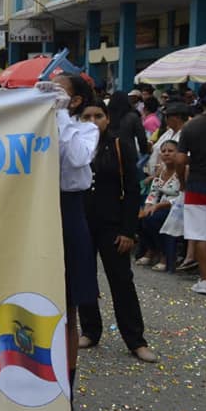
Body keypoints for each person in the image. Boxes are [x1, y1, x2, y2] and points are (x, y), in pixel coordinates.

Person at [76, 103, 157, 362]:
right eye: (86, 116)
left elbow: (132, 189)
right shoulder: (74, 145)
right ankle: (90, 330)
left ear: (108, 118)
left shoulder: (120, 145)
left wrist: (128, 231)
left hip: (113, 226)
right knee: (84, 279)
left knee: (122, 281)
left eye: (98, 116)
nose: (93, 121)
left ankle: (136, 340)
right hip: (81, 224)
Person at [39, 74, 100, 411]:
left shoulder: (85, 129)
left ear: (75, 101)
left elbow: (77, 158)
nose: (51, 93)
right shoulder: (33, 126)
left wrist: (60, 114)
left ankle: (66, 394)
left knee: (68, 309)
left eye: (59, 90)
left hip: (69, 212)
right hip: (36, 209)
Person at [175, 81, 206, 295]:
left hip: (196, 186)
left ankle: (205, 281)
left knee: (201, 235)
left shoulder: (190, 126)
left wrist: (183, 183)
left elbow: (180, 160)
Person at [138, 140, 182, 271]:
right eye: (163, 151)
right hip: (160, 206)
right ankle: (152, 249)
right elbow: (153, 192)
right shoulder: (161, 171)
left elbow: (182, 197)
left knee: (153, 219)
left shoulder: (182, 171)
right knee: (139, 217)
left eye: (170, 151)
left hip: (177, 209)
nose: (166, 153)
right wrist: (148, 206)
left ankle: (164, 255)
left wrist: (158, 206)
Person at [107, 91, 149, 158]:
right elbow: (141, 137)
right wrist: (144, 151)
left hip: (109, 153)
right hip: (129, 153)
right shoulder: (133, 117)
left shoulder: (107, 117)